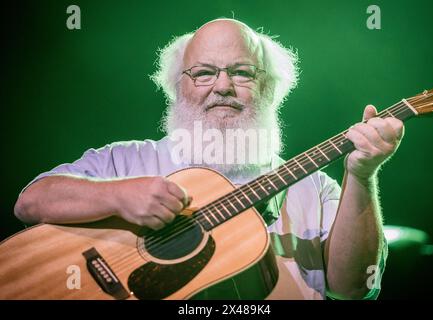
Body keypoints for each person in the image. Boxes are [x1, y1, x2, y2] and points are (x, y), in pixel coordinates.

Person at [14, 18, 404, 300]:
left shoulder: (316, 187)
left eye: (242, 73)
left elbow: (355, 288)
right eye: (203, 73)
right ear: (177, 86)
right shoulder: (125, 161)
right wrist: (117, 196)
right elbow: (29, 202)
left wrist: (363, 173)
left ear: (271, 89)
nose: (222, 86)